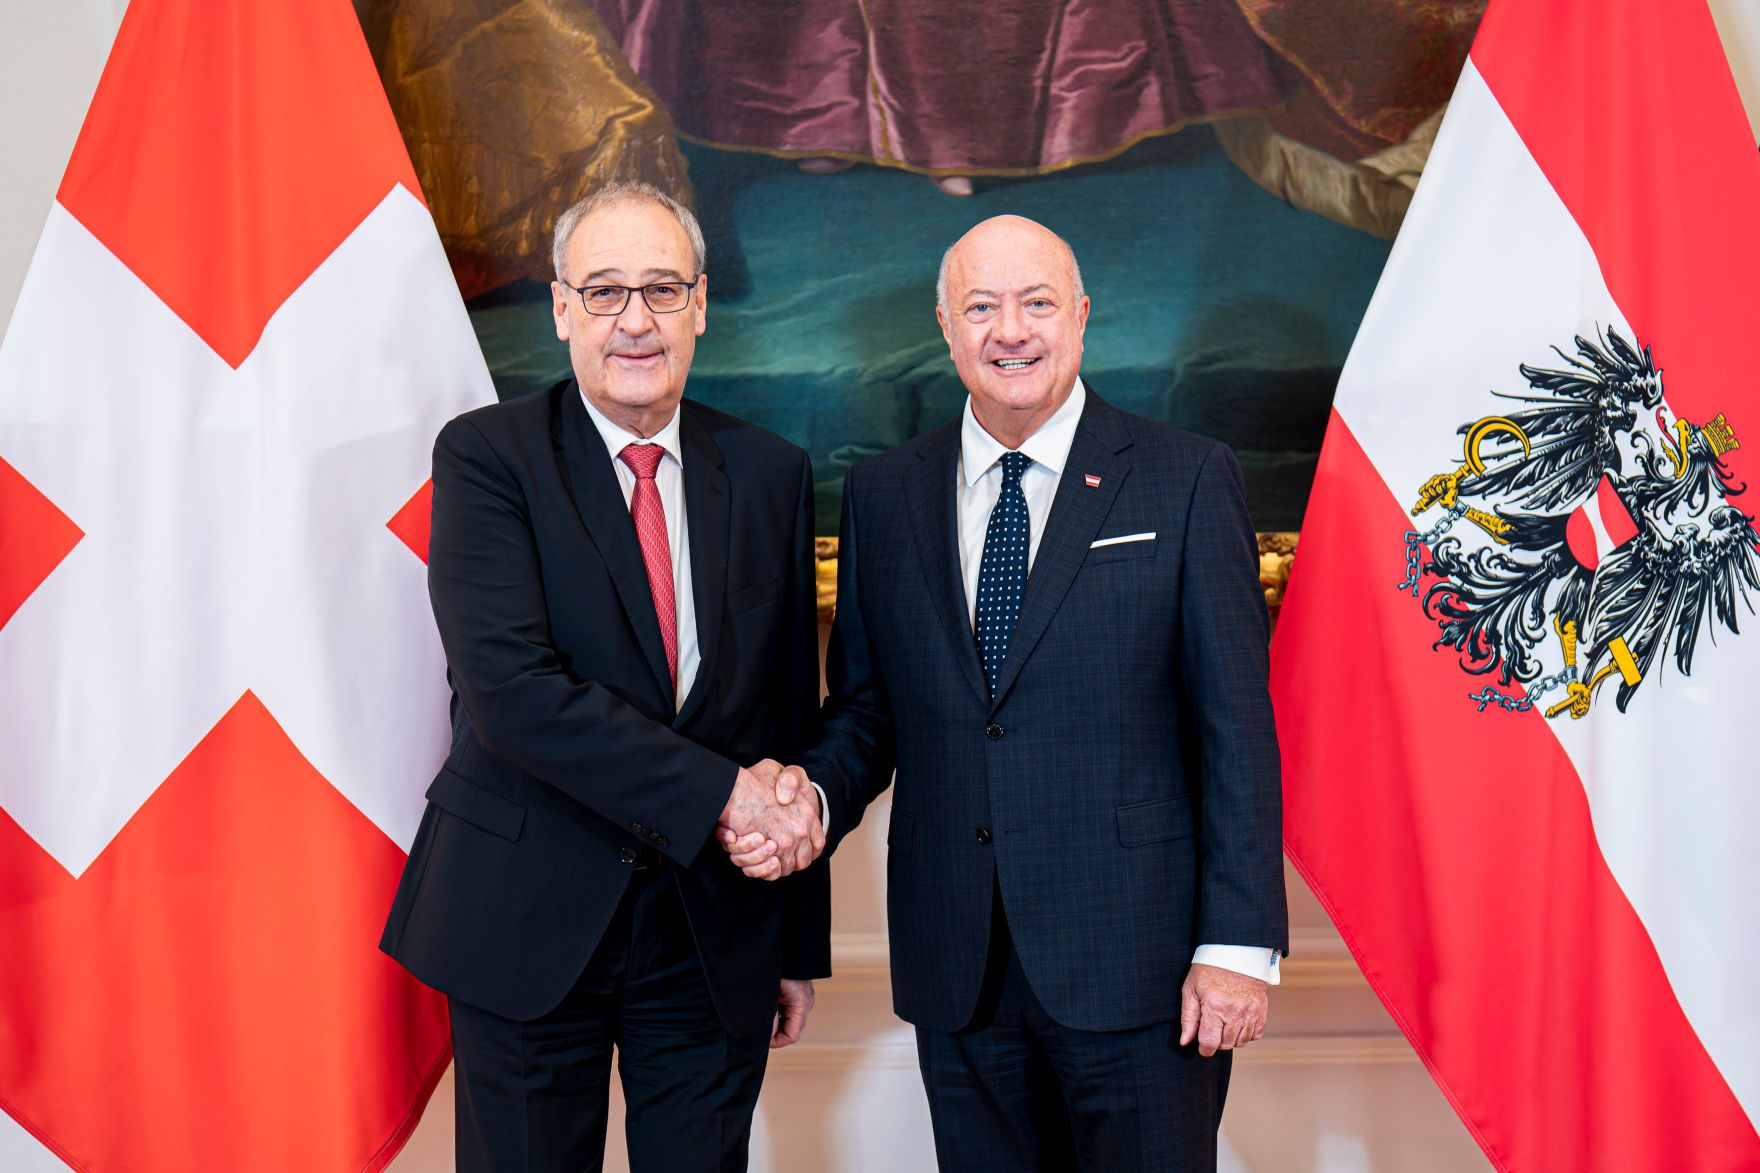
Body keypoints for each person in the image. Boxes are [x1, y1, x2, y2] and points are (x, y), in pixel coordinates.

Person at [723, 214, 1287, 1170]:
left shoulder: (1187, 480)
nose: (1009, 330)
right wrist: (809, 799)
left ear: (1081, 317)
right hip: (961, 967)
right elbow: (866, 709)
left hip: (1142, 967)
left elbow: (1236, 727)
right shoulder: (885, 496)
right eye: (981, 306)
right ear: (945, 325)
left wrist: (1237, 946)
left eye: (1035, 303)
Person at [380, 181, 829, 1172]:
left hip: (711, 932)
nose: (635, 320)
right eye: (605, 291)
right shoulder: (487, 459)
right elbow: (512, 696)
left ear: (701, 306)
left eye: (662, 290)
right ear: (560, 309)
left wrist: (794, 942)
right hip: (523, 915)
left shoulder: (769, 472)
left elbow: (786, 712)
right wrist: (721, 795)